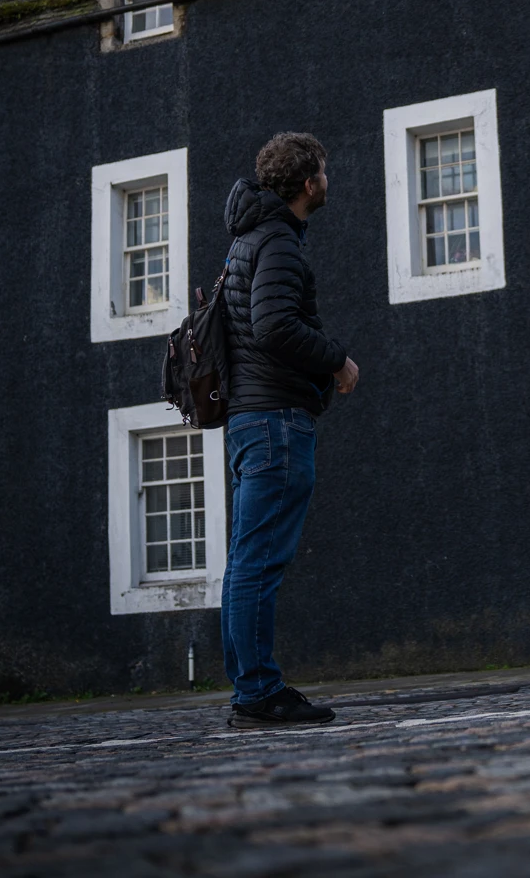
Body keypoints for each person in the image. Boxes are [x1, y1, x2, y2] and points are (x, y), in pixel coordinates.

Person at [219, 132, 360, 726]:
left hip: (254, 420)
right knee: (257, 563)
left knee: (248, 560)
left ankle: (254, 689)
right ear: (309, 183)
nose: (328, 181)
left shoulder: (252, 238)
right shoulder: (277, 241)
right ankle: (257, 693)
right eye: (324, 172)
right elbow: (274, 326)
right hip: (275, 422)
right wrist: (337, 359)